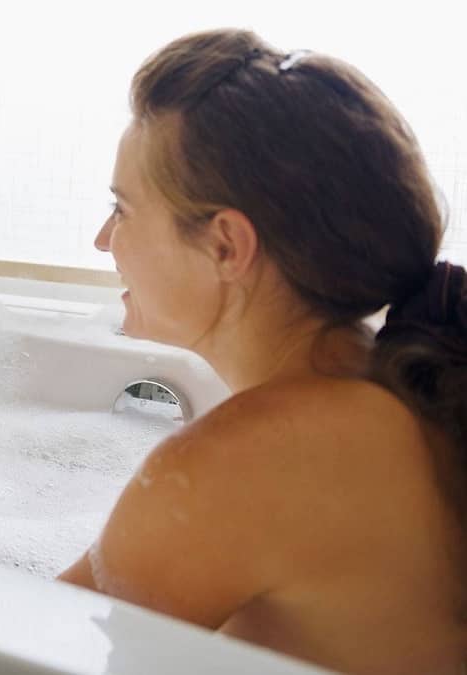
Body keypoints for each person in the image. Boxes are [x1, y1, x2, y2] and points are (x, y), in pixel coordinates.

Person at [58, 29, 467, 674]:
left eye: (123, 208)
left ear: (225, 245)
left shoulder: (245, 463)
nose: (103, 239)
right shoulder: (390, 386)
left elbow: (8, 655)